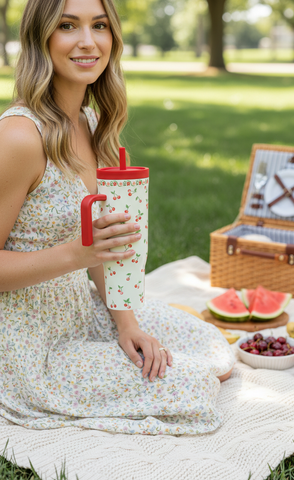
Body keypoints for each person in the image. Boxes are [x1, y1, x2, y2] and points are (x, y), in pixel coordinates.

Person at [0, 0, 235, 435]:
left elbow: (104, 249)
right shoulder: (18, 136)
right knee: (192, 384)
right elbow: (83, 252)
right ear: (41, 37)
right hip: (27, 343)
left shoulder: (90, 122)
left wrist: (125, 324)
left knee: (215, 351)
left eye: (100, 25)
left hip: (80, 310)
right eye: (68, 26)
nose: (88, 42)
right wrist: (77, 254)